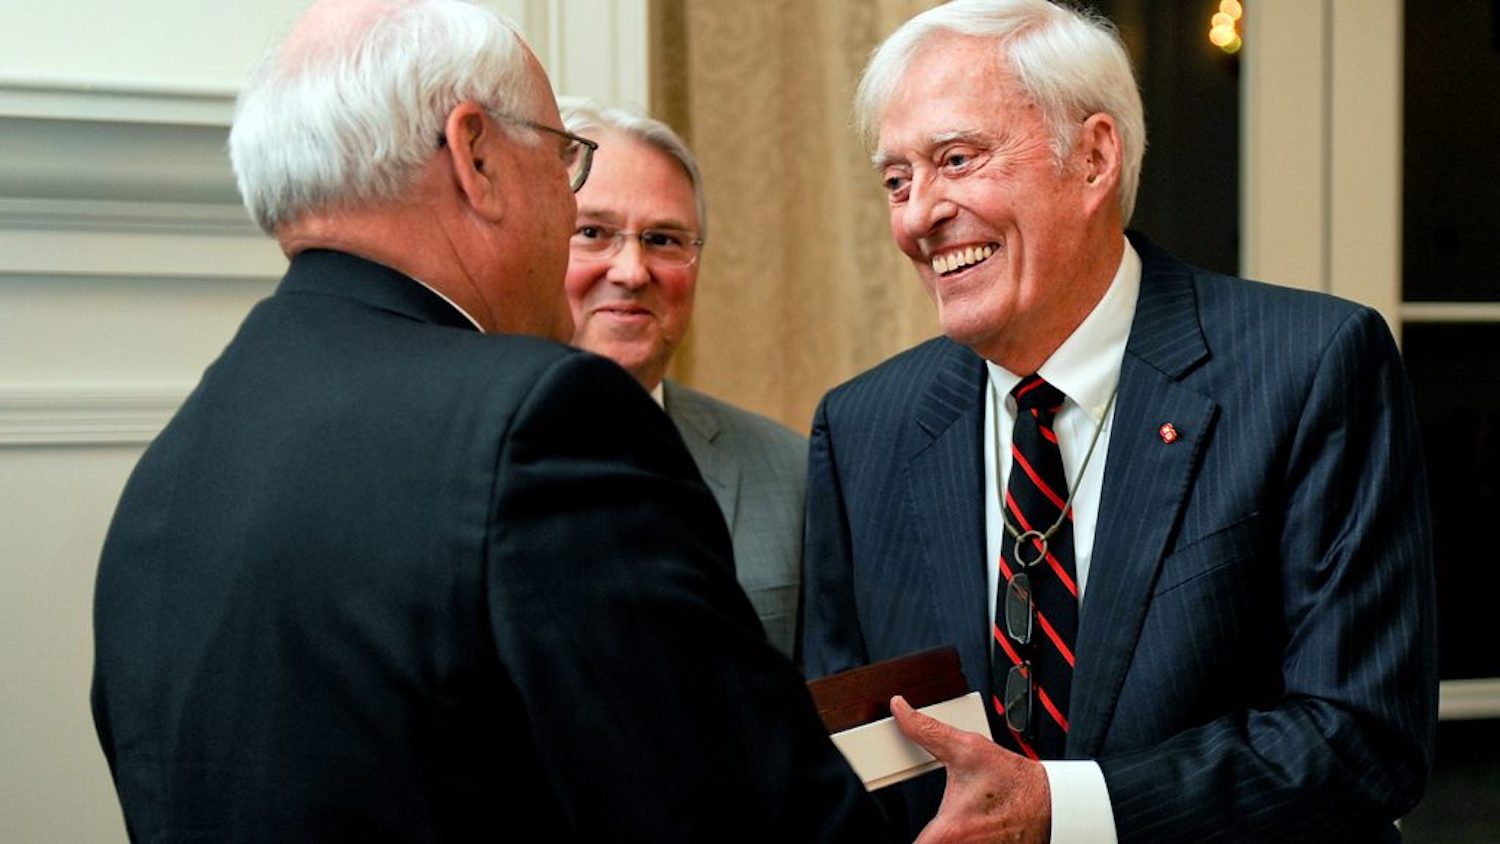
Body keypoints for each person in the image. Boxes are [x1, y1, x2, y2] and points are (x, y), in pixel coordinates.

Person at [89, 0, 888, 839]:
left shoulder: (174, 467)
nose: (570, 199)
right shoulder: (541, 420)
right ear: (475, 154)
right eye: (564, 161)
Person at [800, 1, 1438, 842]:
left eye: (957, 159)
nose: (919, 216)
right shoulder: (863, 429)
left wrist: (1061, 811)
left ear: (1094, 158)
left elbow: (1363, 738)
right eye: (897, 179)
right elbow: (850, 761)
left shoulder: (1309, 367)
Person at [559, 100, 808, 659]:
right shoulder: (453, 457)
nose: (630, 271)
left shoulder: (793, 474)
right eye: (594, 232)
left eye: (664, 240)